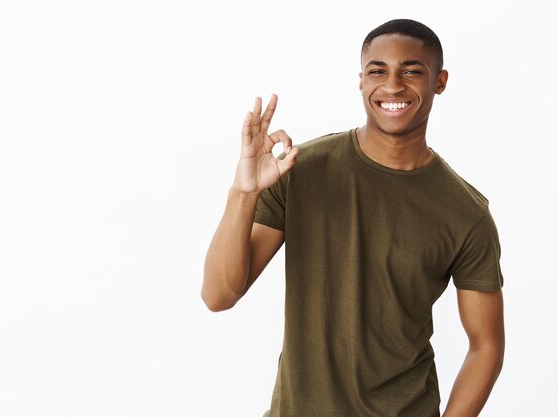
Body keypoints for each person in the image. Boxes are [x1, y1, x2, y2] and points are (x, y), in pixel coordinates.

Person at [202, 18, 505, 417]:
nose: (392, 85)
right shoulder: (300, 169)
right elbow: (219, 295)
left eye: (411, 71)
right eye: (378, 71)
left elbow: (486, 345)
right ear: (361, 81)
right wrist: (244, 192)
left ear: (440, 81)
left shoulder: (466, 213)